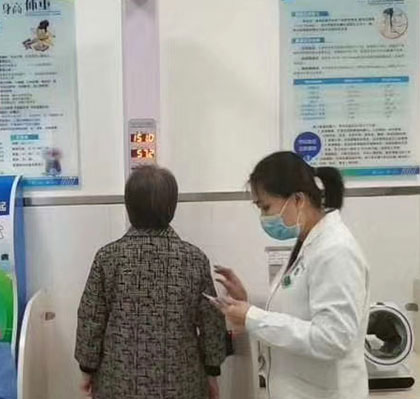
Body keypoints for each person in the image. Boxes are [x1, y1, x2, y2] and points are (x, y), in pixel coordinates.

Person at [206, 151, 370, 399]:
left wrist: (253, 317)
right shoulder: (309, 244)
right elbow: (296, 314)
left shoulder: (336, 251)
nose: (264, 217)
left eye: (266, 207)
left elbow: (333, 338)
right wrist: (246, 303)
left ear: (298, 199)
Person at [75, 165, 228, 399]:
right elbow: (211, 322)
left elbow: (91, 319)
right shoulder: (194, 258)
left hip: (118, 382)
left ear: (129, 207)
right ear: (171, 208)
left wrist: (87, 369)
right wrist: (212, 372)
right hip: (182, 383)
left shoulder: (108, 257)